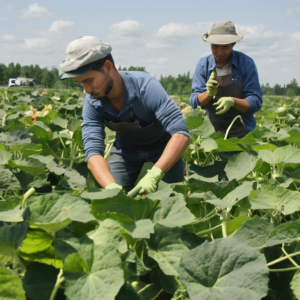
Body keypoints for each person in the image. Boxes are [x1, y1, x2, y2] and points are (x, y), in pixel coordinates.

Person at [59, 36, 190, 194]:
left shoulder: (146, 86)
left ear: (107, 67)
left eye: (89, 80)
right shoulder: (92, 101)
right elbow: (93, 152)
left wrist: (155, 174)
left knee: (171, 202)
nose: (86, 90)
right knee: (115, 205)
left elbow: (180, 134)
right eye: (80, 83)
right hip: (126, 150)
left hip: (163, 147)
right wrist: (110, 188)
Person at [190, 21, 262, 139]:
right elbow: (194, 101)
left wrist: (232, 101)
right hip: (210, 134)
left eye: (225, 47)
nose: (219, 52)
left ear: (233, 44)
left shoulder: (246, 63)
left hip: (242, 133)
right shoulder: (203, 65)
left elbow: (255, 101)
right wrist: (208, 94)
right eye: (215, 46)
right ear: (210, 44)